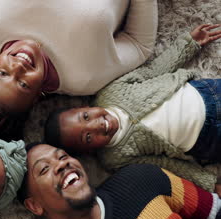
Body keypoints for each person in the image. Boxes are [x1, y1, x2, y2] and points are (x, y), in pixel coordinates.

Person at [44, 24, 221, 193]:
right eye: (88, 137)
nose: (95, 125)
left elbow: (154, 71)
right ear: (89, 151)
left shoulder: (109, 93)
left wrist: (189, 43)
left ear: (85, 107)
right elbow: (165, 166)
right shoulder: (114, 158)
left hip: (205, 95)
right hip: (206, 139)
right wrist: (208, 183)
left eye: (85, 117)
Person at [0, 0, 158, 141]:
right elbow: (139, 45)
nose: (18, 67)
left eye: (2, 74)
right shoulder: (84, 77)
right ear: (37, 97)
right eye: (23, 84)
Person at [18, 143, 221, 219]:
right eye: (44, 169)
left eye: (62, 156)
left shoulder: (140, 178)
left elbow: (216, 218)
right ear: (35, 205)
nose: (62, 163)